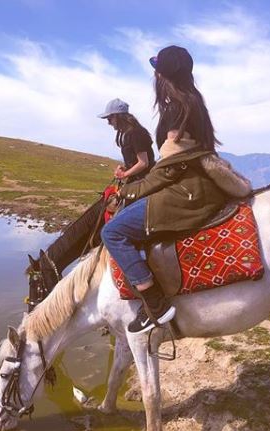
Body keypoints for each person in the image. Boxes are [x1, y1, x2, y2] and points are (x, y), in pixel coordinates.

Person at [101, 45, 252, 335]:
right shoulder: (193, 102)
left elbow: (173, 167)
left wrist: (131, 191)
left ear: (161, 74)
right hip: (200, 185)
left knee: (112, 232)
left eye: (156, 71)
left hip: (187, 191)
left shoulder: (175, 109)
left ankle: (156, 305)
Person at [98, 98, 155, 183]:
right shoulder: (129, 133)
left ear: (118, 117)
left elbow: (143, 163)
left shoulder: (136, 133)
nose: (109, 123)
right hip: (139, 179)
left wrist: (124, 174)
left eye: (109, 119)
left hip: (145, 181)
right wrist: (126, 168)